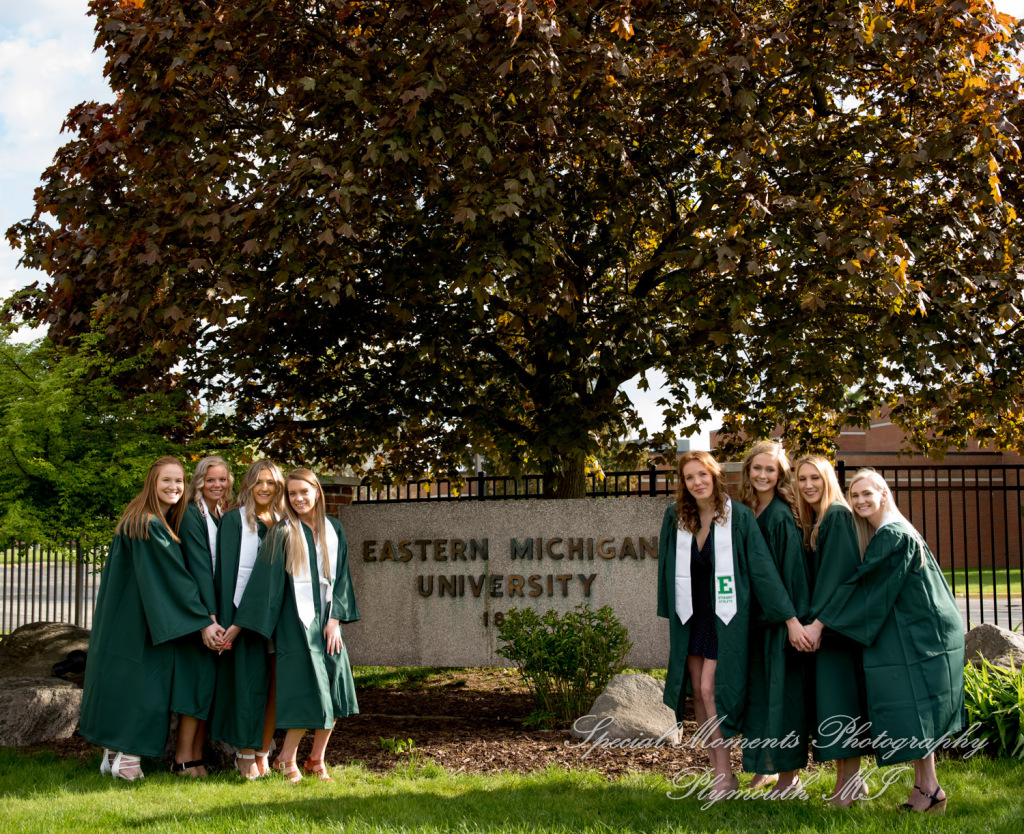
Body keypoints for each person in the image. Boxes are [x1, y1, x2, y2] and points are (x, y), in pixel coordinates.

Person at [804, 469, 965, 814]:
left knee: (915, 707)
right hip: (921, 629)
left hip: (924, 634)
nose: (860, 501)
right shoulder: (887, 529)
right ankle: (929, 791)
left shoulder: (892, 534)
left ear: (884, 494)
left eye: (867, 494)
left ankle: (929, 790)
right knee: (916, 709)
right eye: (855, 495)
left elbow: (865, 586)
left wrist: (820, 624)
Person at [657, 451, 812, 798]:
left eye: (703, 475)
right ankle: (720, 774)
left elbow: (762, 569)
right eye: (689, 477)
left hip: (725, 618)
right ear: (683, 483)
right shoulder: (676, 518)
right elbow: (667, 569)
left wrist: (789, 617)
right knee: (697, 691)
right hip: (692, 618)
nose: (697, 482)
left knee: (712, 689)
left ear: (715, 476)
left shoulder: (737, 516)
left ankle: (727, 774)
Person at [80, 456, 223, 781]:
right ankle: (129, 760)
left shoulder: (134, 519)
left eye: (179, 481)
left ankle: (112, 754)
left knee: (122, 683)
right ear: (152, 484)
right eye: (166, 481)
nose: (174, 487)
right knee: (147, 686)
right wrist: (203, 620)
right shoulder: (151, 526)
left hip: (121, 621)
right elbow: (175, 579)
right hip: (144, 623)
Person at [233, 468, 360, 783]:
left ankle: (316, 758)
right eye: (292, 493)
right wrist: (240, 625)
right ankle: (287, 758)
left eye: (304, 491)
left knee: (334, 685)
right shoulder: (283, 532)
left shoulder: (334, 529)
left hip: (327, 619)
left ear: (317, 491)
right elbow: (266, 584)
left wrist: (335, 620)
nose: (298, 498)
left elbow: (341, 577)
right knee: (307, 688)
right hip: (296, 621)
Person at [794, 454, 870, 806]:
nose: (809, 485)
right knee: (832, 704)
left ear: (829, 481)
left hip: (835, 630)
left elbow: (839, 578)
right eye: (802, 478)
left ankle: (851, 784)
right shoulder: (819, 520)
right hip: (824, 627)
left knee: (841, 704)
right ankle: (849, 784)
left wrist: (816, 625)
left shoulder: (838, 516)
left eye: (816, 478)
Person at [738, 441, 813, 796]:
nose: (763, 475)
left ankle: (790, 780)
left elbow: (792, 576)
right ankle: (764, 767)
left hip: (782, 624)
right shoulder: (748, 509)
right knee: (760, 698)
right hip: (755, 622)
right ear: (748, 470)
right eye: (757, 468)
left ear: (780, 474)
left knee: (783, 700)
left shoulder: (781, 516)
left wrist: (791, 621)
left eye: (771, 470)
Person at [211, 460, 286, 779]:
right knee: (248, 683)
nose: (265, 488)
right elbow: (225, 574)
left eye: (271, 482)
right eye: (259, 482)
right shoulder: (234, 521)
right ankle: (244, 753)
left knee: (275, 686)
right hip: (242, 613)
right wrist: (230, 620)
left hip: (280, 615)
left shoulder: (286, 521)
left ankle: (262, 752)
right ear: (249, 485)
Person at [172, 455, 233, 776]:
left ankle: (196, 756)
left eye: (222, 480)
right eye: (211, 480)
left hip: (217, 616)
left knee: (207, 688)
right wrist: (207, 620)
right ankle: (183, 758)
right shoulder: (192, 514)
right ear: (199, 481)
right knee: (193, 687)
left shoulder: (220, 513)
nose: (217, 485)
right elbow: (197, 568)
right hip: (199, 615)